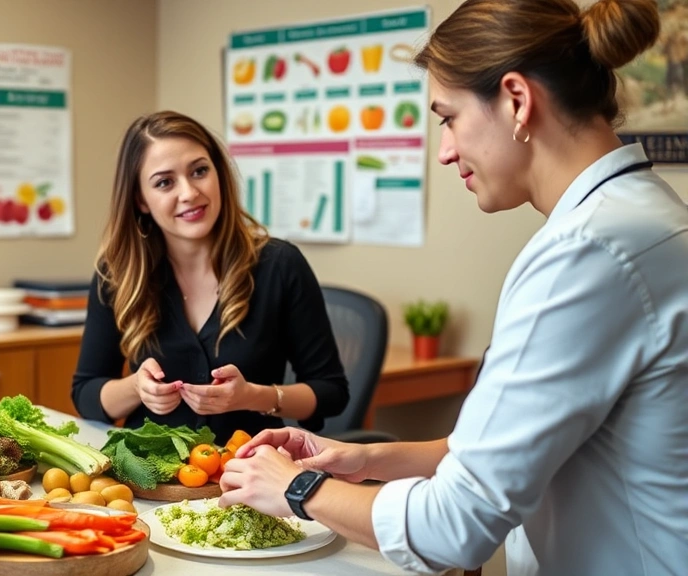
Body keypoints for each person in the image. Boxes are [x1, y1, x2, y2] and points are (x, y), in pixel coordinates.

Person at [218, 1, 688, 575]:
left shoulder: (589, 253)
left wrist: (297, 488)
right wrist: (359, 458)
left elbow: (455, 527)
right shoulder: (642, 216)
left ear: (517, 99)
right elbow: (499, 453)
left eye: (448, 117)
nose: (444, 150)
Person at [71, 110, 349, 446]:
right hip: (148, 476)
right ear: (141, 200)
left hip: (248, 471)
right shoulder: (117, 273)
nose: (189, 192)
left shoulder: (279, 264)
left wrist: (253, 396)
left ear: (218, 174)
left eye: (199, 171)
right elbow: (85, 393)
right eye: (164, 182)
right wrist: (136, 388)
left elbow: (331, 392)